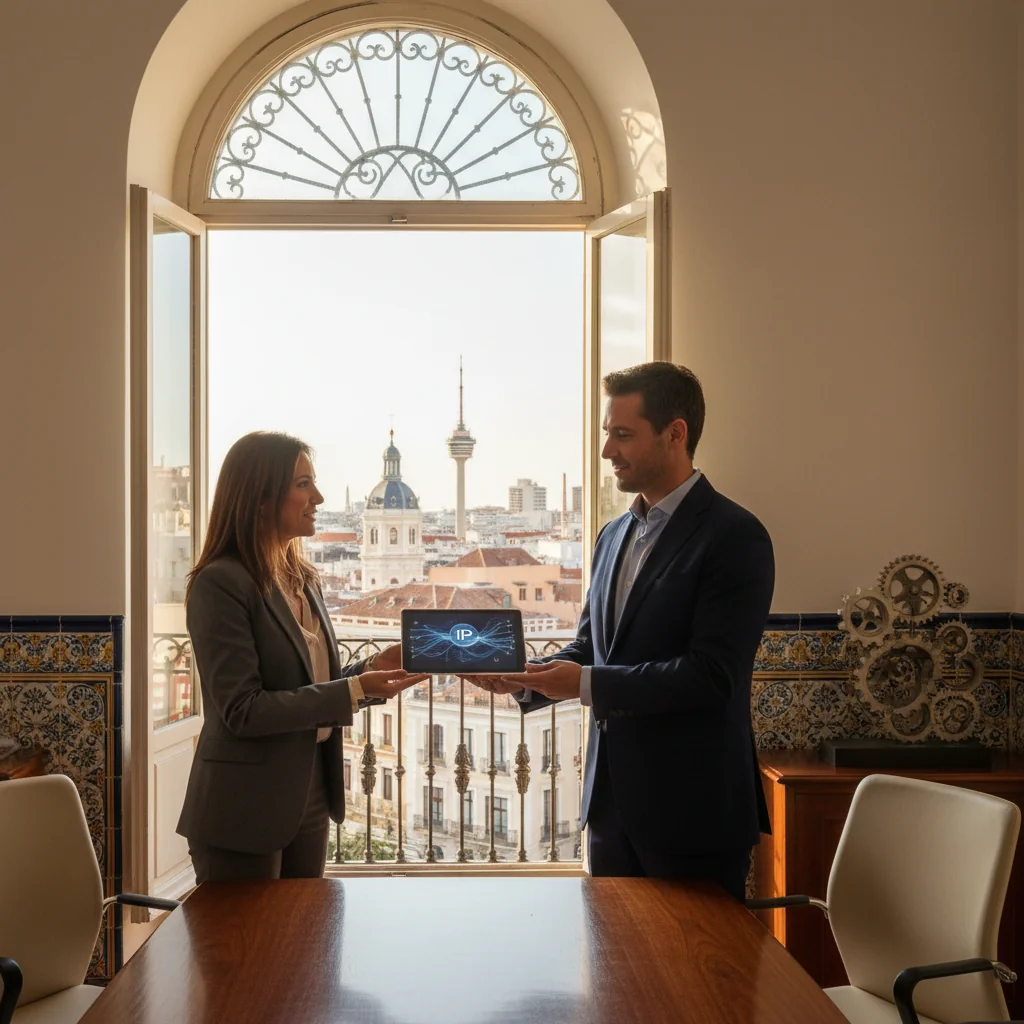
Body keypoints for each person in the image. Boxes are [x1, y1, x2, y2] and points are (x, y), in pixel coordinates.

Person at [472, 362, 774, 899]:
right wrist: (526, 677)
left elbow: (712, 677)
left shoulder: (735, 536)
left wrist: (584, 684)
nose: (607, 451)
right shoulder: (613, 535)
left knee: (693, 981)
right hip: (610, 810)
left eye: (622, 434)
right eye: (607, 434)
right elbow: (593, 646)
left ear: (675, 434)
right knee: (617, 979)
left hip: (693, 814)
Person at [177, 431, 424, 882]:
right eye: (304, 484)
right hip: (244, 806)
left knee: (300, 943)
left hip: (310, 794)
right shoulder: (220, 584)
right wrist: (352, 690)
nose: (319, 497)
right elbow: (242, 710)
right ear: (260, 497)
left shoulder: (303, 579)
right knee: (245, 950)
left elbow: (306, 684)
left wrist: (368, 672)